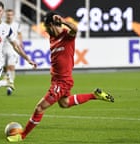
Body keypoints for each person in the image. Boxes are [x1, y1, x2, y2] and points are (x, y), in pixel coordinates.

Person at [7, 12, 114, 142]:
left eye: (46, 27)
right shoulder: (52, 38)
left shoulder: (67, 36)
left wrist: (63, 21)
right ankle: (94, 95)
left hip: (62, 81)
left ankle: (22, 136)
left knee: (39, 108)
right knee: (65, 103)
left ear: (51, 24)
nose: (45, 30)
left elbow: (75, 29)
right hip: (56, 80)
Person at [0, 9, 23, 95]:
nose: (9, 16)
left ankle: (10, 84)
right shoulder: (2, 25)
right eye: (8, 15)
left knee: (11, 67)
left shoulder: (16, 25)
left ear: (13, 16)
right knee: (5, 68)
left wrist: (20, 43)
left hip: (13, 48)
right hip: (2, 48)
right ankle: (9, 81)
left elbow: (20, 34)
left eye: (11, 15)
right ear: (5, 16)